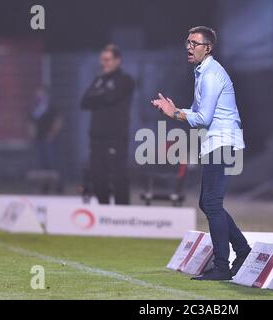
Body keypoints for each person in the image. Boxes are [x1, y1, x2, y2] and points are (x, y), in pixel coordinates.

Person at [151, 26, 251, 281]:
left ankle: (222, 266)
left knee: (212, 203)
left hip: (223, 142)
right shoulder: (202, 72)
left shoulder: (210, 75)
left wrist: (174, 113)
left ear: (207, 48)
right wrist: (174, 109)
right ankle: (243, 251)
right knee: (208, 203)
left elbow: (202, 118)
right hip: (217, 142)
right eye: (187, 41)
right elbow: (197, 112)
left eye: (194, 42)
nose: (188, 46)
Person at [81, 44, 135, 205]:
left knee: (118, 177)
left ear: (117, 60)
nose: (104, 63)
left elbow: (111, 97)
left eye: (107, 59)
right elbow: (84, 102)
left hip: (115, 137)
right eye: (102, 59)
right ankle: (104, 214)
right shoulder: (98, 80)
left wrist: (98, 96)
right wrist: (101, 95)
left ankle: (123, 214)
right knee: (98, 177)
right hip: (96, 138)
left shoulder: (125, 80)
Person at [29, 86, 63, 172]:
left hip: (49, 137)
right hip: (38, 137)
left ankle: (52, 177)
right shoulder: (35, 107)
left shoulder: (51, 105)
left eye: (40, 92)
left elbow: (58, 119)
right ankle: (41, 178)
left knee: (50, 159)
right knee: (39, 160)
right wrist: (31, 133)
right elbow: (31, 121)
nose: (38, 95)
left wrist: (53, 133)